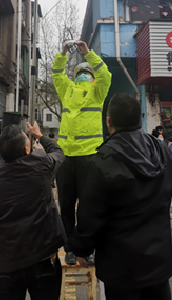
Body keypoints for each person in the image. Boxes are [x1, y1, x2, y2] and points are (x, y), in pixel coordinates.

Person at [69, 93, 172, 300]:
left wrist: (81, 249)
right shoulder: (163, 151)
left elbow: (89, 214)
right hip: (158, 262)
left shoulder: (102, 161)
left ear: (108, 121)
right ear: (139, 119)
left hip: (121, 268)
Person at [0, 122, 66, 300]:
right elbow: (58, 152)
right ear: (27, 150)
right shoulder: (41, 166)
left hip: (6, 264)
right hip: (43, 259)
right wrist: (39, 135)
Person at [52, 40, 112, 265]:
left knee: (75, 207)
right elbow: (58, 75)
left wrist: (84, 53)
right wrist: (65, 53)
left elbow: (104, 75)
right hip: (78, 158)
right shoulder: (77, 89)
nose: (84, 76)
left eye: (86, 73)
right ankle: (75, 249)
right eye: (83, 72)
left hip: (77, 158)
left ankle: (81, 249)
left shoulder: (96, 91)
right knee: (78, 206)